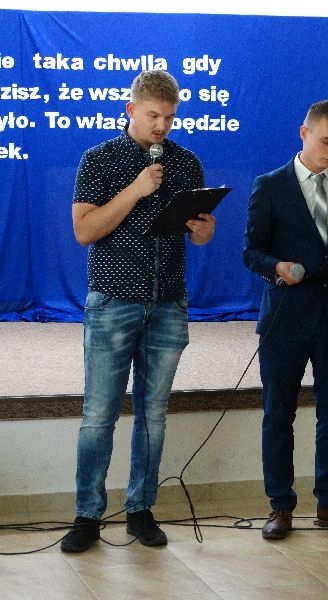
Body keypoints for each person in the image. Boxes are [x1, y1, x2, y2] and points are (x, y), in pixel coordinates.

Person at [60, 70, 216, 553]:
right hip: (113, 301)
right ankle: (88, 515)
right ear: (131, 110)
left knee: (154, 414)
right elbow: (84, 231)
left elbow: (197, 234)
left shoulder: (186, 162)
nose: (162, 126)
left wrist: (204, 232)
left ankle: (140, 509)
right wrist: (135, 189)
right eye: (153, 115)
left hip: (167, 302)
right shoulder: (99, 159)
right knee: (99, 415)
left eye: (169, 117)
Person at [243, 99, 328, 540]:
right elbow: (252, 252)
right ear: (304, 133)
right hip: (286, 316)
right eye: (325, 141)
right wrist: (276, 268)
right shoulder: (270, 185)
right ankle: (280, 505)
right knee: (278, 414)